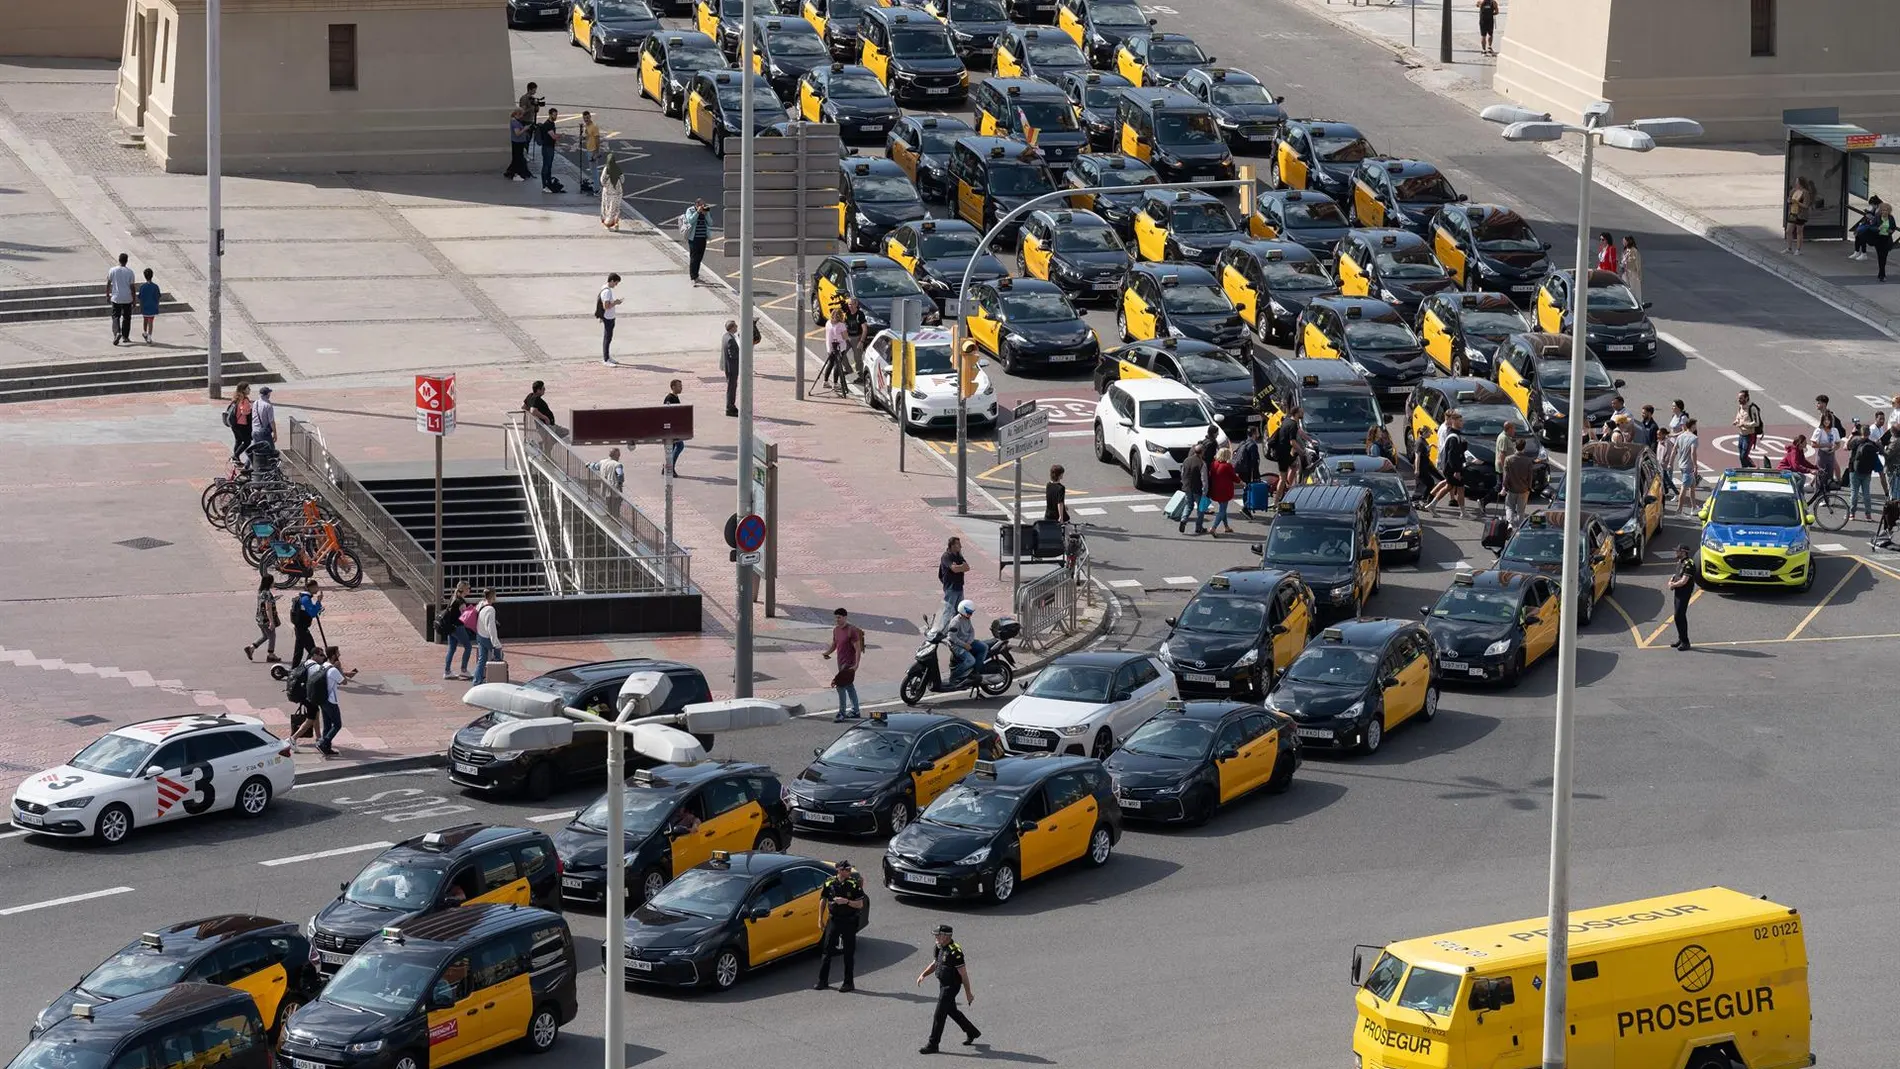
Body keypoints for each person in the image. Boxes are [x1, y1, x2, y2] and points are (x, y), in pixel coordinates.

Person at [917, 924, 979, 1053]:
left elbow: (964, 974)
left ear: (946, 936)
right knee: (952, 1011)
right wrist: (923, 974)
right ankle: (972, 1031)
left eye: (938, 935)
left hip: (951, 987)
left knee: (939, 1015)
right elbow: (935, 963)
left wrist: (968, 993)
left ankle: (933, 1044)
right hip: (943, 984)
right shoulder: (939, 947)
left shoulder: (955, 952)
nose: (936, 937)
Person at [814, 859, 867, 991]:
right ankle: (822, 981)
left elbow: (860, 904)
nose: (849, 872)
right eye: (846, 870)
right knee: (827, 951)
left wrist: (846, 901)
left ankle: (848, 983)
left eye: (849, 869)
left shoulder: (854, 885)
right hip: (834, 920)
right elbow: (823, 900)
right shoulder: (829, 882)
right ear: (839, 871)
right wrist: (820, 918)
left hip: (849, 921)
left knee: (848, 953)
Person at [822, 608, 864, 721]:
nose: (837, 619)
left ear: (845, 617)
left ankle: (842, 712)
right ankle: (856, 710)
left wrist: (856, 665)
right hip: (840, 663)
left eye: (839, 617)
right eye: (836, 617)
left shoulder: (852, 630)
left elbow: (858, 649)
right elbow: (835, 644)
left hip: (849, 664)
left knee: (840, 686)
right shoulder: (836, 630)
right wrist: (827, 653)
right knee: (849, 686)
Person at [318, 646, 356, 756]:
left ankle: (327, 748)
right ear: (334, 655)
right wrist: (340, 668)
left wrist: (344, 672)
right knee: (337, 725)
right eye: (338, 652)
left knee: (327, 725)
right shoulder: (334, 669)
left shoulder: (324, 665)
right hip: (331, 701)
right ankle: (323, 743)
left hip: (322, 699)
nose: (339, 654)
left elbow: (339, 678)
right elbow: (343, 682)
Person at [944, 600, 986, 687]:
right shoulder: (955, 622)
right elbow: (952, 637)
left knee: (984, 647)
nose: (971, 615)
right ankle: (954, 677)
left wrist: (969, 642)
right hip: (956, 646)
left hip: (967, 643)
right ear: (963, 610)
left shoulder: (967, 619)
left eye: (971, 613)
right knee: (970, 660)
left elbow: (971, 631)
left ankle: (975, 673)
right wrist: (964, 645)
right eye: (969, 612)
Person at [243, 569, 281, 662]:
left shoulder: (260, 591)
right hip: (266, 619)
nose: (274, 582)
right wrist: (271, 622)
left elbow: (264, 604)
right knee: (272, 636)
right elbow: (268, 608)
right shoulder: (267, 593)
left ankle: (251, 648)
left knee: (265, 636)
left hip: (259, 618)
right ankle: (271, 655)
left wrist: (274, 599)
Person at [439, 582, 474, 680]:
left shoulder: (453, 597)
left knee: (451, 649)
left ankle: (447, 671)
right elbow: (465, 616)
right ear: (464, 590)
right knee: (468, 647)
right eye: (468, 588)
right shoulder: (461, 601)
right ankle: (464, 670)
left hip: (450, 627)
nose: (469, 590)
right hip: (458, 627)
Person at [1846, 424, 1879, 520]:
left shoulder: (1856, 441)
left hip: (1854, 470)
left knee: (1854, 492)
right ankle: (1868, 514)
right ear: (1869, 433)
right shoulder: (1872, 444)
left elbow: (1846, 447)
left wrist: (1852, 435)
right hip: (1867, 471)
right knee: (1866, 493)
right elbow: (1879, 450)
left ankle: (1852, 514)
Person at [1501, 438, 1535, 525]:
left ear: (1515, 446)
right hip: (1523, 489)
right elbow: (1530, 476)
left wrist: (1504, 487)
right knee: (1521, 511)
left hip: (1511, 488)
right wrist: (1529, 487)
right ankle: (1520, 528)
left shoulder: (1508, 459)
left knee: (1509, 507)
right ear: (1524, 447)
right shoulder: (1528, 461)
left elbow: (1506, 475)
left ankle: (1510, 524)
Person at [289, 579, 322, 666]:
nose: (317, 589)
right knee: (313, 650)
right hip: (302, 629)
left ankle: (294, 668)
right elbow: (312, 613)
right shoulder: (305, 599)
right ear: (311, 588)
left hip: (300, 628)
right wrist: (318, 602)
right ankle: (310, 667)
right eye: (316, 587)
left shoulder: (305, 598)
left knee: (299, 650)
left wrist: (317, 606)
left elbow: (311, 610)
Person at [1667, 546, 1694, 651]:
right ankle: (1681, 638)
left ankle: (1685, 642)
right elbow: (1676, 575)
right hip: (1678, 591)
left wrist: (1673, 585)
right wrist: (1671, 581)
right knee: (1677, 616)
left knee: (1680, 615)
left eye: (1677, 551)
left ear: (1683, 552)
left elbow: (1684, 581)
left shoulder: (1689, 564)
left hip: (1684, 592)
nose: (1675, 552)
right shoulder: (1680, 562)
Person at [473, 589, 502, 685]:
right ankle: (496, 679)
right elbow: (491, 628)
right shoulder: (491, 609)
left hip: (479, 634)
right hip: (487, 637)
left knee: (482, 659)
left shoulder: (481, 604)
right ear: (492, 596)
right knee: (499, 656)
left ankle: (477, 680)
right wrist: (496, 643)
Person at [937, 537, 968, 627]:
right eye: (958, 544)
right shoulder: (946, 556)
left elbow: (967, 567)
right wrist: (960, 567)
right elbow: (954, 569)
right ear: (952, 546)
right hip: (951, 588)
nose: (960, 546)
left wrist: (960, 567)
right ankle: (943, 629)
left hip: (959, 587)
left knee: (959, 611)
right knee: (948, 610)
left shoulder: (959, 556)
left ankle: (955, 629)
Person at [106, 252, 136, 345]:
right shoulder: (130, 272)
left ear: (119, 260)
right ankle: (125, 336)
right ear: (126, 261)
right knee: (127, 317)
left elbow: (108, 283)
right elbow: (132, 287)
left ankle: (117, 332)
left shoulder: (112, 270)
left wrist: (107, 294)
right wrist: (134, 299)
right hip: (127, 298)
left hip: (116, 297)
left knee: (116, 316)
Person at [1179, 442, 1208, 535]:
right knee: (1201, 508)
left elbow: (1182, 474)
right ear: (1202, 452)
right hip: (1198, 489)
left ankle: (1183, 519)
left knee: (1188, 505)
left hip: (1187, 487)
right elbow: (1204, 479)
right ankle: (1198, 527)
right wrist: (1205, 490)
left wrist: (1184, 483)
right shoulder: (1202, 463)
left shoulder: (1186, 460)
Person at [1208, 445, 1238, 535]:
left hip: (1215, 490)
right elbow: (1234, 477)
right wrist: (1242, 482)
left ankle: (1226, 527)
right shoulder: (1227, 466)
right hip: (1224, 491)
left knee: (1222, 508)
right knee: (1222, 510)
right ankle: (1213, 527)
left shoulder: (1214, 464)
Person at [1236, 425, 1264, 516]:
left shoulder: (1243, 442)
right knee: (1249, 489)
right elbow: (1254, 462)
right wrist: (1256, 476)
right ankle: (1246, 508)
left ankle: (1246, 507)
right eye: (1257, 431)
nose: (1258, 433)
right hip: (1247, 471)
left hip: (1241, 470)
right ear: (1254, 434)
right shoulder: (1253, 445)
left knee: (1246, 488)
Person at [683, 198, 713, 283]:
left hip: (702, 237)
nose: (703, 206)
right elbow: (690, 220)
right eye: (701, 204)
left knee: (699, 258)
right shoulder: (690, 210)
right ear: (697, 204)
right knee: (694, 258)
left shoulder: (705, 211)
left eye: (704, 204)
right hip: (694, 238)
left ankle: (696, 275)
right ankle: (693, 276)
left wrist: (706, 214)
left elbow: (710, 223)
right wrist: (697, 212)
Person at [1673, 418, 1700, 512]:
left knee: (1692, 486)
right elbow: (1693, 453)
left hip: (1681, 464)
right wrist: (1696, 466)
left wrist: (1670, 463)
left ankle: (1694, 507)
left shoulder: (1680, 436)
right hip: (1688, 466)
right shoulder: (1694, 438)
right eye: (1695, 425)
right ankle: (1679, 510)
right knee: (1684, 488)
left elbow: (1674, 449)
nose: (1696, 427)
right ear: (1692, 426)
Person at [822, 308, 850, 395]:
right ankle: (835, 383)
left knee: (830, 364)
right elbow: (845, 337)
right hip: (839, 347)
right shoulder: (841, 325)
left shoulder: (828, 323)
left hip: (830, 347)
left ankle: (825, 381)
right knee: (837, 365)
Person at [1811, 412, 1842, 491]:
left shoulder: (1834, 430)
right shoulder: (1819, 430)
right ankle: (1819, 496)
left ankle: (1827, 496)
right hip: (1822, 454)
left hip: (1831, 454)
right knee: (1820, 475)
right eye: (1825, 420)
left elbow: (1838, 444)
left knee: (1829, 476)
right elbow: (1813, 444)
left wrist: (1834, 449)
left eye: (1828, 420)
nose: (1826, 421)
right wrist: (1825, 445)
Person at [1732, 390, 1763, 467]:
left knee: (1744, 456)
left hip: (1749, 436)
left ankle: (1753, 468)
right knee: (1741, 456)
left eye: (1741, 398)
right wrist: (1736, 421)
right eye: (1739, 398)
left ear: (1747, 398)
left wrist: (1744, 424)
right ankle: (1745, 469)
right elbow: (1738, 417)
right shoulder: (1740, 407)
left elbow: (1756, 423)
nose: (1739, 400)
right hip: (1741, 435)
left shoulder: (1752, 408)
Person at [597, 273, 623, 364]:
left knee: (608, 337)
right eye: (616, 283)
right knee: (607, 338)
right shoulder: (607, 291)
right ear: (612, 281)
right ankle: (606, 359)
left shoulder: (604, 288)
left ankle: (607, 356)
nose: (616, 285)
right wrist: (616, 303)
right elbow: (606, 306)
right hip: (608, 318)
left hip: (609, 317)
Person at [843, 298, 870, 384]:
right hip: (848, 337)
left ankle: (861, 376)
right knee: (841, 353)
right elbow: (844, 325)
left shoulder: (860, 314)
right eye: (849, 304)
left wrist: (861, 341)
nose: (850, 306)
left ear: (856, 305)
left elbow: (865, 329)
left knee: (857, 358)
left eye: (852, 304)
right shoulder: (847, 313)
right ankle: (848, 369)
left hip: (857, 338)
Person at [225, 382, 254, 462]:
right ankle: (235, 456)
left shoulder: (236, 398)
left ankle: (236, 458)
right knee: (247, 441)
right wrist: (250, 410)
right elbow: (244, 411)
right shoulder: (244, 399)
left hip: (234, 423)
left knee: (238, 440)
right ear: (243, 390)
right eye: (248, 388)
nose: (250, 390)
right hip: (242, 424)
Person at [535, 107, 562, 192]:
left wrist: (556, 142)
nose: (556, 116)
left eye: (556, 115)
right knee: (546, 166)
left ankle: (548, 182)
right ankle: (545, 185)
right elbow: (553, 136)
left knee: (549, 166)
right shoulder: (548, 125)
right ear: (550, 115)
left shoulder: (552, 123)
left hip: (550, 147)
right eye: (554, 115)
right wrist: (561, 135)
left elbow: (552, 137)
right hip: (547, 148)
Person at [1850, 195, 1883, 260]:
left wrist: (1871, 217)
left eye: (1872, 205)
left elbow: (1879, 221)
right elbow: (1873, 214)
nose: (1872, 206)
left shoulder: (1881, 209)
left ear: (1875, 204)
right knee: (1858, 233)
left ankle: (1863, 253)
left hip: (1877, 227)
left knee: (1862, 234)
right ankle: (1857, 251)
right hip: (1872, 224)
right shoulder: (1876, 207)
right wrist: (1868, 212)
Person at [1786, 177, 1813, 255]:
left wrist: (1797, 202)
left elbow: (1806, 205)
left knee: (1799, 231)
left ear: (1801, 183)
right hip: (1793, 212)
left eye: (1797, 182)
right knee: (1788, 230)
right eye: (1796, 182)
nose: (1796, 183)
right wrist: (1789, 201)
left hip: (1801, 214)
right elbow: (1789, 198)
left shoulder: (1805, 193)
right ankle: (1789, 248)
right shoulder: (1794, 190)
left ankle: (1798, 249)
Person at [504, 108, 533, 181]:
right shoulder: (515, 123)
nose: (522, 116)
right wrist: (525, 129)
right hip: (518, 142)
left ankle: (512, 172)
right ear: (518, 114)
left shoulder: (515, 121)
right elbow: (517, 133)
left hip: (518, 142)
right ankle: (516, 173)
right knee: (518, 158)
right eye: (521, 115)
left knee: (517, 158)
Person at [663, 380, 685, 474]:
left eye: (681, 386)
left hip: (675, 428)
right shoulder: (669, 398)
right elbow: (666, 412)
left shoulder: (676, 397)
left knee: (672, 449)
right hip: (671, 429)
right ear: (673, 387)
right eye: (679, 386)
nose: (681, 388)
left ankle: (667, 468)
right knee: (680, 446)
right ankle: (669, 468)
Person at [1872, 202, 1897, 282]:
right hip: (1878, 239)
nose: (1884, 212)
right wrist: (1878, 228)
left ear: (1889, 211)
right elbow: (1872, 227)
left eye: (1886, 210)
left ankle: (1881, 274)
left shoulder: (1891, 218)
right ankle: (1882, 274)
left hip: (1887, 239)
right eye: (1883, 210)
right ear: (1881, 211)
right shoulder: (1877, 217)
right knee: (1880, 256)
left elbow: (1893, 227)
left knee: (1884, 257)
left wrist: (1890, 231)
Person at [136, 268, 161, 343]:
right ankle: (149, 336)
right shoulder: (155, 286)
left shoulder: (142, 287)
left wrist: (140, 306)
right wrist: (157, 304)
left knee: (145, 319)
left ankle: (145, 332)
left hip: (144, 306)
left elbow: (140, 297)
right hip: (152, 305)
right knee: (151, 321)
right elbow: (158, 296)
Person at [721, 320, 741, 416]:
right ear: (732, 328)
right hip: (732, 368)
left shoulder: (726, 336)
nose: (737, 327)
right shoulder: (730, 339)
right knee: (732, 388)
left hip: (729, 367)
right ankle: (730, 407)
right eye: (736, 326)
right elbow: (733, 355)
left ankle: (731, 406)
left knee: (732, 387)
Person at [1619, 235, 1644, 303]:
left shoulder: (1634, 251)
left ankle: (1637, 303)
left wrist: (1639, 275)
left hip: (1632, 273)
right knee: (1626, 289)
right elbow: (1623, 260)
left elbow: (1637, 264)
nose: (1623, 242)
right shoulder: (1625, 250)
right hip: (1625, 272)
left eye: (1624, 241)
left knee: (1634, 289)